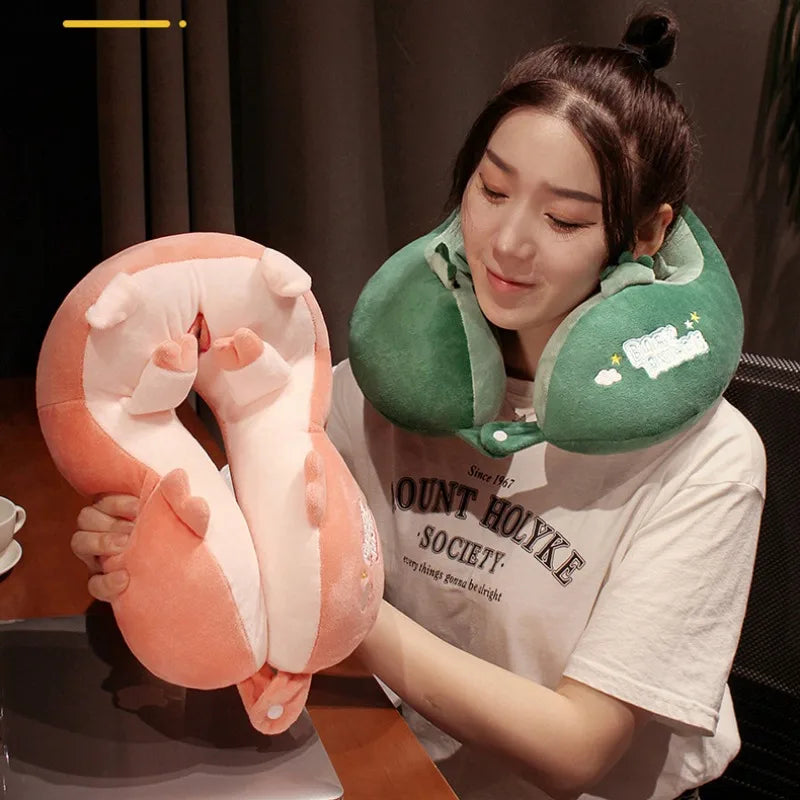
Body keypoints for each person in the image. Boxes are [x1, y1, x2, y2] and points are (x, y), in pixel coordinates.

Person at [70, 8, 766, 800]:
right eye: (492, 189)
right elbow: (248, 538)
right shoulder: (392, 382)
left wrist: (335, 601)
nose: (507, 242)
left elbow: (577, 749)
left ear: (646, 233)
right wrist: (160, 543)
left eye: (564, 219)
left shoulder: (712, 459)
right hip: (384, 764)